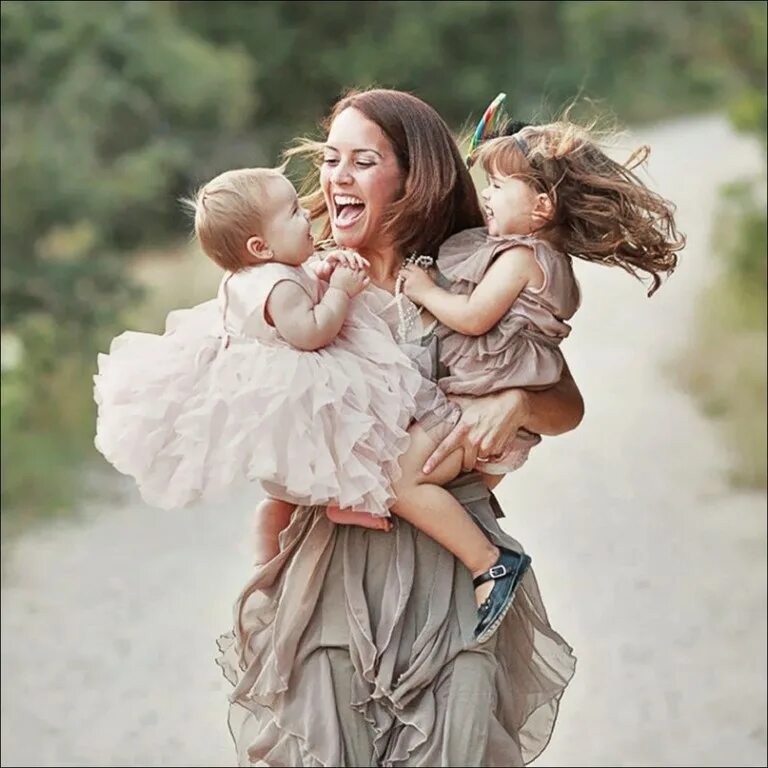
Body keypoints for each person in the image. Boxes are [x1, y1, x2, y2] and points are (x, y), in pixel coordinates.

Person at [216, 88, 584, 767]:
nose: (337, 178)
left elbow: (566, 405)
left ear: (414, 178)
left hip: (455, 573)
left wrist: (520, 405)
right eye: (331, 160)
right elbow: (250, 427)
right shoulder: (301, 288)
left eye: (363, 160)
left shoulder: (470, 273)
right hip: (328, 573)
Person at [93, 163, 536, 645]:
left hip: (272, 396)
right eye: (292, 213)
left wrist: (320, 272)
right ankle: (294, 560)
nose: (307, 215)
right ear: (261, 247)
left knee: (279, 499)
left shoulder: (253, 276)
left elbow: (296, 285)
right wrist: (340, 292)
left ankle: (268, 583)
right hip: (304, 383)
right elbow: (309, 332)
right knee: (357, 442)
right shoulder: (279, 284)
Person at [393, 119, 684, 635]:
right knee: (452, 500)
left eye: (498, 187)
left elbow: (474, 317)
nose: (486, 197)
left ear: (542, 206)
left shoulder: (525, 257)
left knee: (401, 481)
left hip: (475, 409)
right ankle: (472, 565)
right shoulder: (540, 258)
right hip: (490, 415)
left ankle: (491, 565)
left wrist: (423, 289)